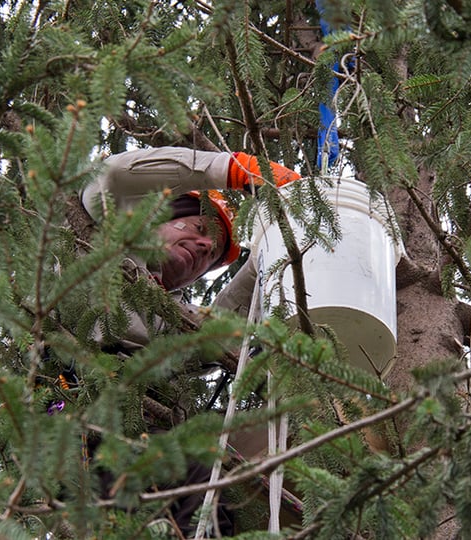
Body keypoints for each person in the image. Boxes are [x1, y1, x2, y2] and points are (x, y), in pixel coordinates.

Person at [77, 146, 300, 535]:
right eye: (199, 230)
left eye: (212, 253)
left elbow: (223, 324)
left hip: (143, 431)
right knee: (195, 470)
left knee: (219, 478)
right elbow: (110, 177)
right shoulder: (104, 244)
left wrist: (276, 243)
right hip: (77, 404)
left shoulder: (171, 319)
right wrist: (230, 170)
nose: (203, 247)